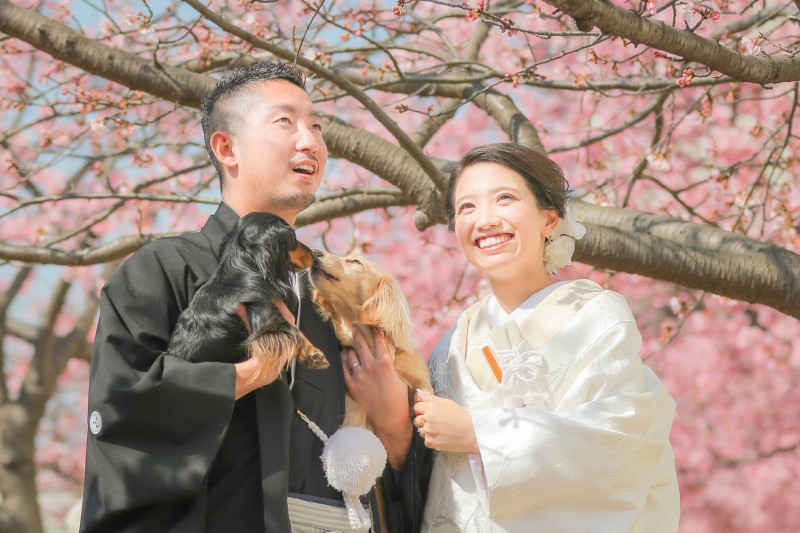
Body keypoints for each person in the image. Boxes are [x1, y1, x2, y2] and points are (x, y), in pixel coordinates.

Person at [80, 61, 429, 532]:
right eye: (285, 122)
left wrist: (396, 422)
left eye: (317, 127)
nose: (310, 141)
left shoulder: (336, 291)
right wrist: (244, 376)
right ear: (227, 148)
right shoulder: (164, 268)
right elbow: (121, 410)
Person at [413, 143, 680, 532]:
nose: (484, 220)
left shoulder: (595, 316)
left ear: (549, 219)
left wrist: (479, 434)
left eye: (504, 198)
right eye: (467, 207)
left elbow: (618, 441)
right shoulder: (452, 345)